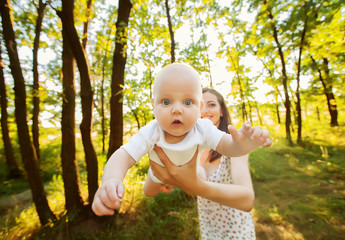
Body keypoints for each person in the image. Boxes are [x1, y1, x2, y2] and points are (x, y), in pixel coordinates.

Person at [92, 63, 271, 216]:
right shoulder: (151, 131)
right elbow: (123, 155)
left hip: (191, 174)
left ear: (199, 108)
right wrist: (110, 179)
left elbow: (228, 147)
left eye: (187, 102)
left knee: (199, 175)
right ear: (153, 105)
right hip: (158, 172)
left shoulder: (203, 128)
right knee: (148, 191)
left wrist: (243, 145)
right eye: (166, 102)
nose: (177, 110)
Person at [150, 87, 259, 239]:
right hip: (208, 230)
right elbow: (185, 180)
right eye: (198, 104)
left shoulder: (234, 145)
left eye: (211, 104)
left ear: (221, 111)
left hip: (237, 232)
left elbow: (247, 200)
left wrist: (196, 187)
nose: (205, 110)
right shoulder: (191, 147)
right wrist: (173, 182)